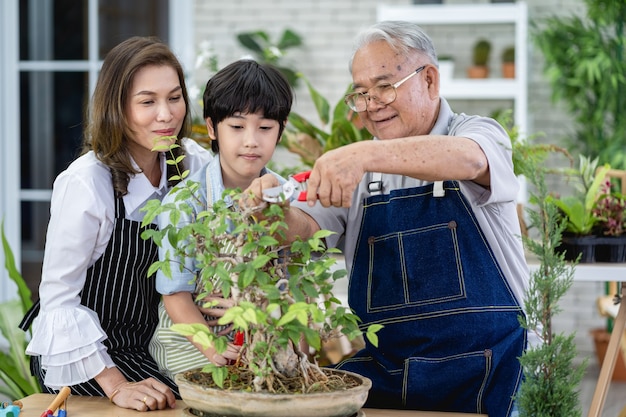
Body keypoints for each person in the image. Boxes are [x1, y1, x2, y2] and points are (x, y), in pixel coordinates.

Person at [246, 21, 529, 417]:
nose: (371, 103)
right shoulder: (356, 173)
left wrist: (362, 155)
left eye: (383, 86)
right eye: (360, 94)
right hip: (393, 375)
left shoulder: (477, 134)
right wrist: (268, 208)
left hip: (495, 372)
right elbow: (303, 230)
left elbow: (468, 158)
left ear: (429, 80)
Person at [19, 36, 213, 411]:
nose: (166, 114)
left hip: (154, 343)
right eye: (147, 102)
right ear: (117, 109)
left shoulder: (192, 163)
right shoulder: (88, 182)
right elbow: (58, 301)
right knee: (181, 403)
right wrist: (118, 386)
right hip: (87, 355)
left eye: (174, 98)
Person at [148, 59, 293, 379]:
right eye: (237, 127)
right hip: (192, 341)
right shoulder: (185, 202)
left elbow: (291, 282)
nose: (251, 140)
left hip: (261, 335)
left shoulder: (284, 196)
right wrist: (215, 349)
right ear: (213, 128)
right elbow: (175, 296)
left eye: (265, 127)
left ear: (280, 130)